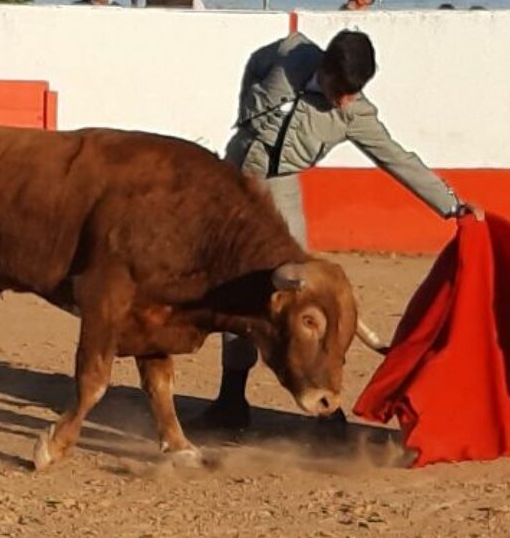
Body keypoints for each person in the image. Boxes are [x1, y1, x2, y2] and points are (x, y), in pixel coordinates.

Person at [201, 29, 482, 430]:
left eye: (355, 91)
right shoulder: (290, 57)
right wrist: (246, 114)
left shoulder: (354, 113)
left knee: (306, 294)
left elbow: (396, 158)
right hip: (233, 180)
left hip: (279, 186)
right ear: (324, 68)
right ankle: (231, 400)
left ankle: (326, 405)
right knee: (235, 291)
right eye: (342, 89)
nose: (346, 100)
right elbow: (254, 65)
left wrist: (452, 204)